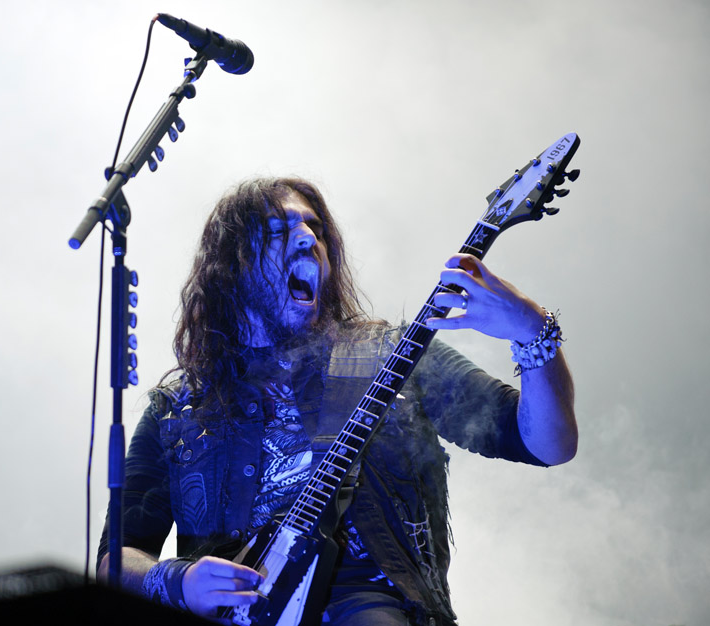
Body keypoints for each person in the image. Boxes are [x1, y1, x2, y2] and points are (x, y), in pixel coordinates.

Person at [97, 177, 577, 626]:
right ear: (232, 264)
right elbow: (116, 559)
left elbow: (548, 444)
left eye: (317, 228)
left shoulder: (393, 355)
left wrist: (532, 331)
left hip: (372, 604)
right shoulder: (177, 408)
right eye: (279, 230)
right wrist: (179, 582)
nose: (309, 238)